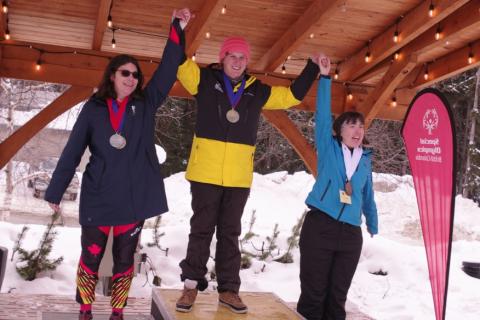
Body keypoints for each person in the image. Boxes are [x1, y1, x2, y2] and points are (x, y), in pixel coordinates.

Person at [44, 9, 192, 320]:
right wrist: (55, 191)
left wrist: (177, 28)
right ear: (112, 75)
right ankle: (85, 308)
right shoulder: (94, 108)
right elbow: (73, 151)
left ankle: (117, 311)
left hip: (132, 198)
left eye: (136, 74)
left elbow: (167, 70)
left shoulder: (146, 103)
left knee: (125, 258)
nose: (131, 78)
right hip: (98, 193)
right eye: (125, 73)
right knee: (92, 255)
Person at [174, 36, 321, 314]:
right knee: (201, 229)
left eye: (243, 58)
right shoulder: (204, 80)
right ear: (223, 58)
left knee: (230, 233)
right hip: (205, 172)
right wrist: (177, 29)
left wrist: (312, 66)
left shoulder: (257, 91)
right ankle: (190, 286)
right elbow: (180, 63)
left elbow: (292, 96)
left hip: (238, 177)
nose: (238, 62)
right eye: (233, 56)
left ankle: (229, 290)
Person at [296, 54, 378, 320]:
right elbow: (321, 114)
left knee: (337, 298)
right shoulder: (329, 148)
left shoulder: (365, 160)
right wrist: (325, 78)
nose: (357, 130)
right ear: (338, 130)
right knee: (314, 295)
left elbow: (367, 195)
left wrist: (372, 223)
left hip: (351, 234)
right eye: (351, 125)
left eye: (361, 126)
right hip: (321, 225)